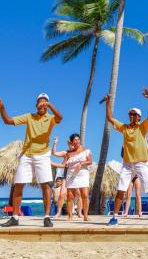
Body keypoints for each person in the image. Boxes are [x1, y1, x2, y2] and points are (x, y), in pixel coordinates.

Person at [104, 88, 148, 226]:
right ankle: (114, 216)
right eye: (130, 114)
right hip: (127, 164)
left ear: (139, 117)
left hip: (141, 163)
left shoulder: (141, 127)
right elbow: (109, 118)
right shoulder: (124, 127)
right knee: (121, 189)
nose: (131, 115)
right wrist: (108, 103)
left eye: (134, 114)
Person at [0, 93, 63, 228]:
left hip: (43, 154)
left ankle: (46, 217)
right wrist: (2, 107)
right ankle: (15, 217)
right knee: (19, 184)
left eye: (45, 103)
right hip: (27, 155)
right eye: (40, 102)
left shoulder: (51, 118)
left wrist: (49, 105)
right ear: (36, 105)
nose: (42, 104)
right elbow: (7, 121)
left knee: (46, 185)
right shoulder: (29, 117)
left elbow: (60, 117)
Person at [53, 133, 92, 221]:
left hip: (83, 173)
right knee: (70, 196)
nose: (77, 141)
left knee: (84, 194)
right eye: (75, 140)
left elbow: (90, 161)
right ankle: (70, 216)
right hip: (71, 175)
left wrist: (81, 164)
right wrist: (51, 163)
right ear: (71, 142)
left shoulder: (86, 150)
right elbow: (63, 165)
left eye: (78, 139)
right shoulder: (68, 153)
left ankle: (85, 215)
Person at [52, 137, 83, 218]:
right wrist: (55, 143)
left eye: (72, 143)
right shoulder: (66, 153)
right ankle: (58, 213)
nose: (71, 145)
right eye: (69, 144)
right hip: (67, 176)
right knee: (62, 194)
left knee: (79, 195)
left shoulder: (80, 152)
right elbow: (54, 153)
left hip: (77, 176)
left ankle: (79, 213)